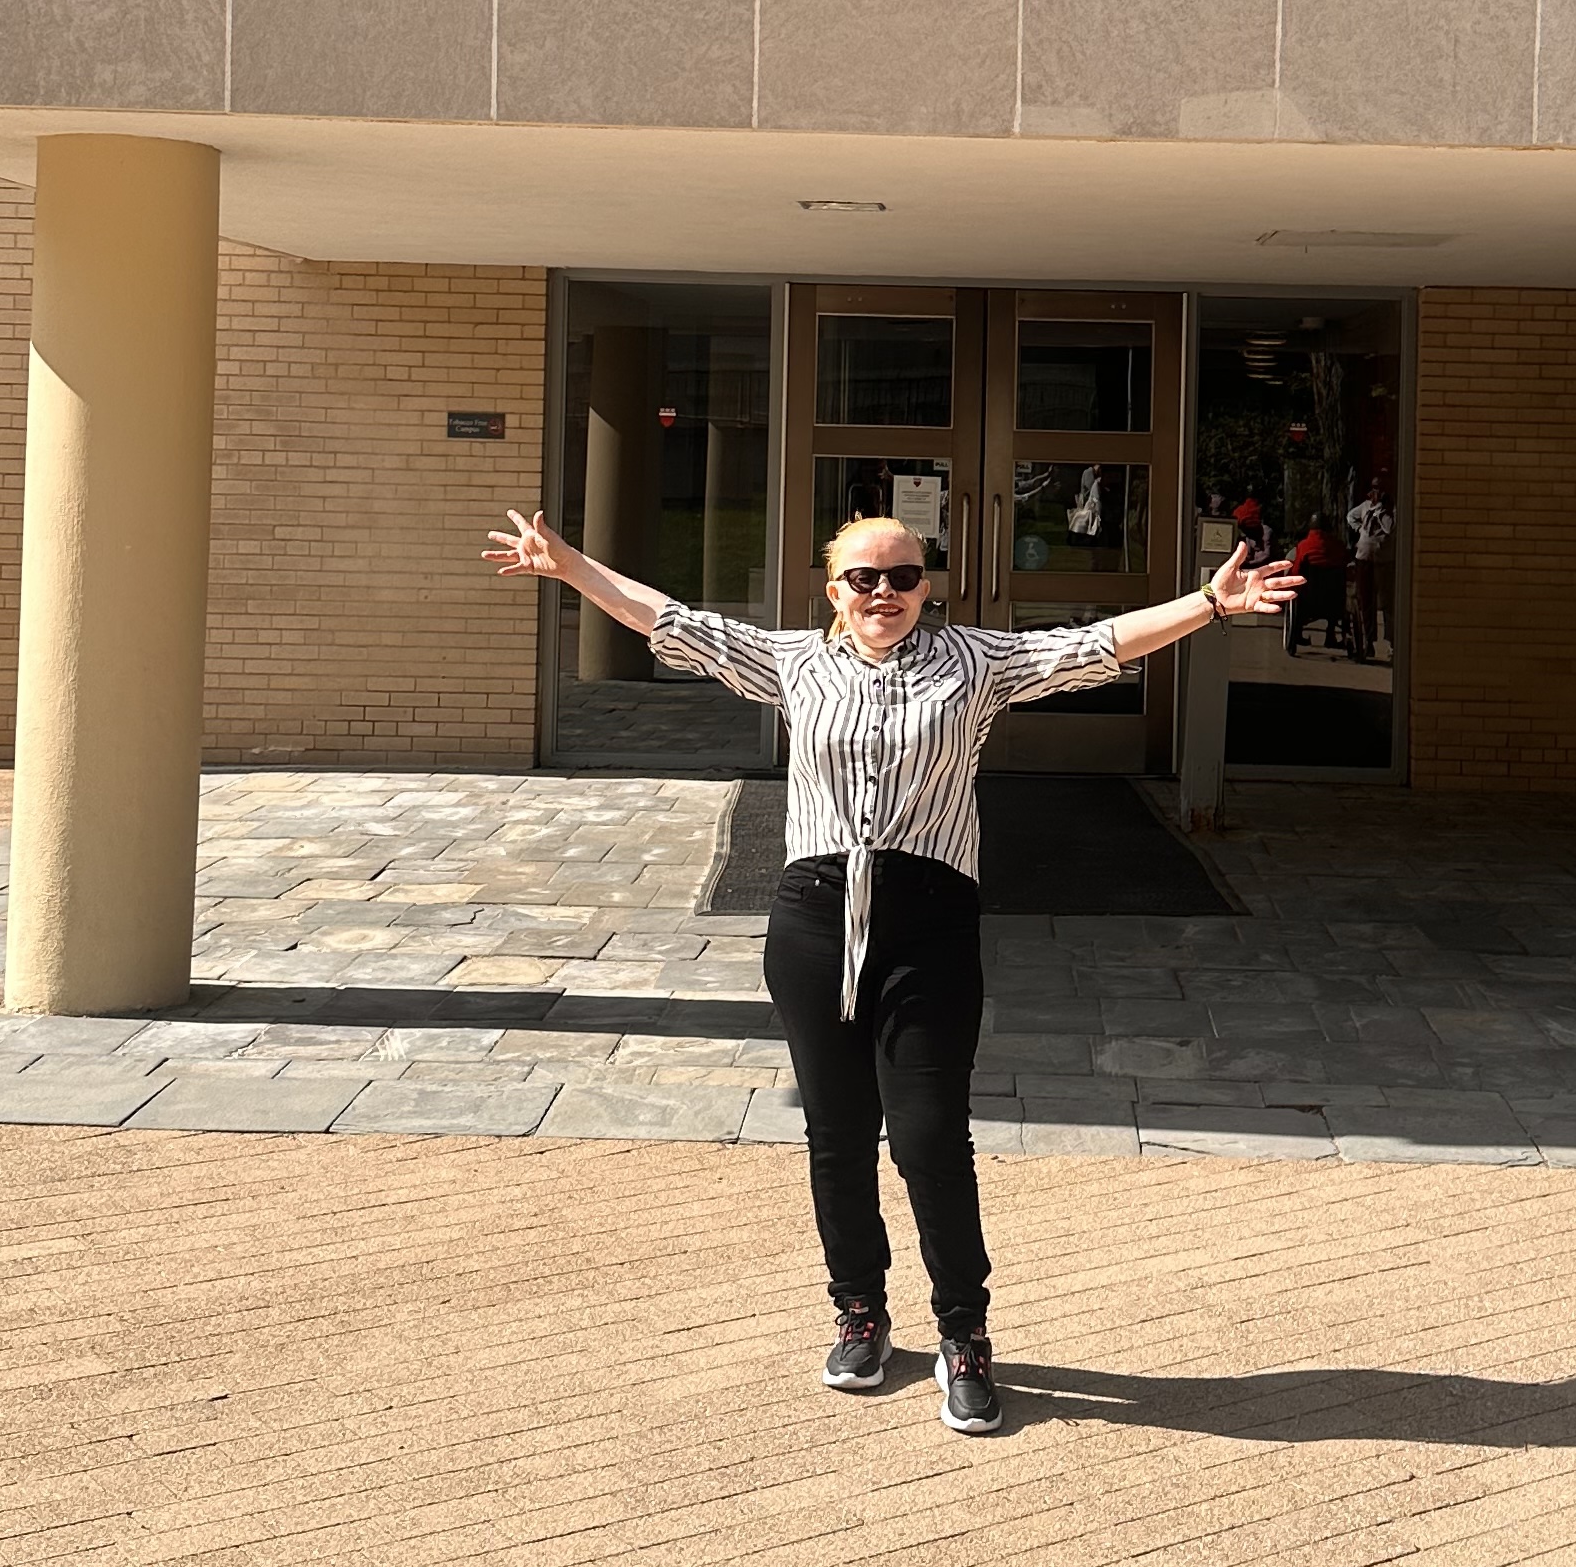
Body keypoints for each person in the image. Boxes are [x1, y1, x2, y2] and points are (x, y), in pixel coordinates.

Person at [486, 502, 1303, 1434]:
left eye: (904, 577)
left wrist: (1208, 601)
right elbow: (665, 618)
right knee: (836, 1136)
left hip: (929, 924)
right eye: (864, 579)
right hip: (813, 921)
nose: (885, 594)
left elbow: (1098, 642)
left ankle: (965, 1334)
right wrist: (570, 567)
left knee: (927, 1139)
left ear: (929, 586)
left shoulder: (977, 664)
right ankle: (860, 1314)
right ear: (833, 591)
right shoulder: (795, 663)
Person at [1345, 471, 1395, 663]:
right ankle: (1368, 641)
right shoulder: (1365, 507)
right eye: (1375, 488)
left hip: (1384, 561)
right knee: (1366, 601)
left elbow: (1390, 528)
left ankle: (1391, 642)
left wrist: (1381, 510)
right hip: (1364, 558)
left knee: (1387, 603)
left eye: (1380, 488)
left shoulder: (1391, 509)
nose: (1377, 492)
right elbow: (1351, 517)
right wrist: (1359, 530)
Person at [1284, 511, 1345, 657]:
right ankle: (1331, 635)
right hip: (1334, 600)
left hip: (1308, 599)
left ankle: (1297, 633)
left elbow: (1296, 571)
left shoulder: (1304, 546)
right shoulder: (1338, 546)